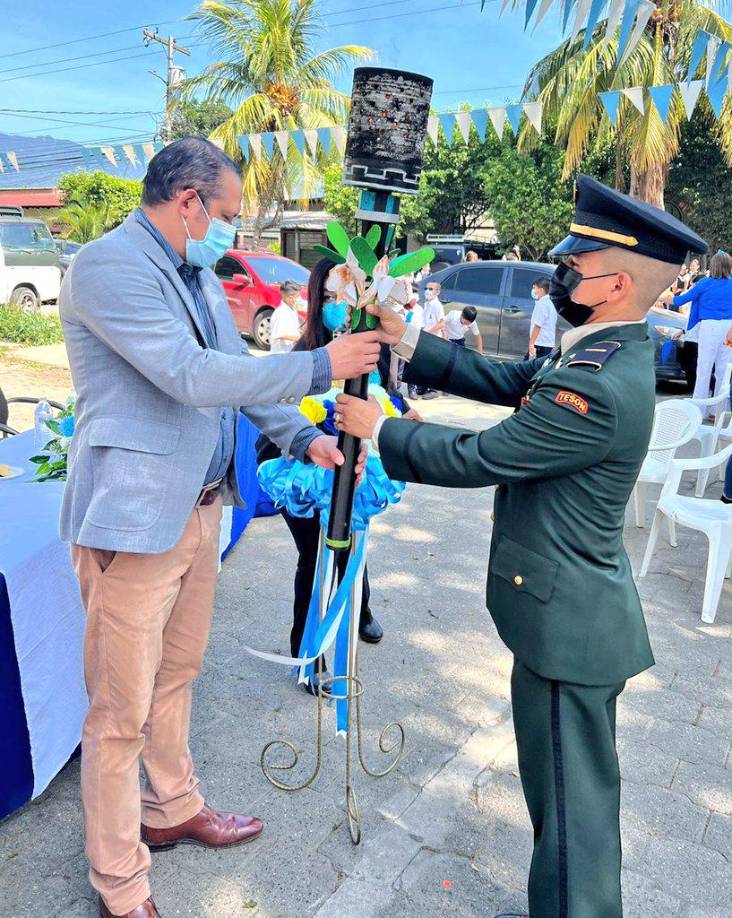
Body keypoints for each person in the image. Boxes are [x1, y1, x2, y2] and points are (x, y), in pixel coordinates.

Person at [333, 173, 707, 918]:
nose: (561, 275)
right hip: (563, 616)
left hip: (570, 626)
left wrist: (382, 430)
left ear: (616, 285)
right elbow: (502, 377)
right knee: (561, 795)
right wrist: (405, 336)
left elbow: (485, 456)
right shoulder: (597, 351)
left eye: (576, 266)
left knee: (573, 814)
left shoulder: (597, 383)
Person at [58, 137, 381, 918]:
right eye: (229, 214)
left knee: (177, 677)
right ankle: (119, 881)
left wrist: (303, 438)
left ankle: (171, 808)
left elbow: (237, 376)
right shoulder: (107, 267)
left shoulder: (194, 271)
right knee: (119, 712)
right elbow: (191, 375)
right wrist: (322, 365)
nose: (232, 230)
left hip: (202, 509)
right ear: (188, 201)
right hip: (135, 522)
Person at [256, 260, 422, 692]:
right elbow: (271, 420)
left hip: (357, 475)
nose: (340, 307)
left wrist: (401, 413)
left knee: (352, 544)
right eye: (330, 297)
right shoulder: (301, 358)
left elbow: (387, 394)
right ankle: (307, 656)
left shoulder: (372, 350)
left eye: (347, 297)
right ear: (317, 301)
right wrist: (310, 442)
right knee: (314, 560)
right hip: (304, 477)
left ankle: (360, 608)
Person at [671, 250, 732, 409]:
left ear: (714, 265)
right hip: (729, 329)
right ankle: (717, 411)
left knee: (704, 368)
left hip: (709, 327)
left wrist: (665, 296)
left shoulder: (704, 283)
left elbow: (680, 301)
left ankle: (699, 409)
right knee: (723, 371)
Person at [417, 280, 446, 399]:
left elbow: (442, 323)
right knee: (425, 364)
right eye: (426, 289)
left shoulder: (437, 306)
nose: (427, 291)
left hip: (433, 339)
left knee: (432, 365)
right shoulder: (427, 304)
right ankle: (424, 387)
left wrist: (428, 333)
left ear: (437, 292)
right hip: (426, 339)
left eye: (431, 289)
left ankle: (433, 390)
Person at [527, 277, 558, 359]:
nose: (533, 291)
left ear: (541, 290)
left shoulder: (542, 304)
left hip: (539, 343)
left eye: (534, 288)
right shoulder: (551, 303)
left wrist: (531, 343)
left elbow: (538, 325)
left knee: (528, 365)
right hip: (548, 343)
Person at [270, 279, 303, 353]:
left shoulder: (291, 308)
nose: (300, 298)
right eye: (298, 296)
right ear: (290, 298)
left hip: (290, 351)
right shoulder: (281, 313)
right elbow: (280, 334)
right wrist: (300, 338)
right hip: (281, 353)